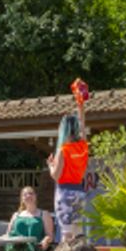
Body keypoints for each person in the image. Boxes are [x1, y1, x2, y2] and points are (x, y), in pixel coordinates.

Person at [48, 80, 89, 241]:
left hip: (64, 192)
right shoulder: (82, 147)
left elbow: (56, 176)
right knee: (78, 232)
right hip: (79, 192)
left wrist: (51, 165)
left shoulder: (63, 150)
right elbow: (83, 124)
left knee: (66, 233)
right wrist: (81, 105)